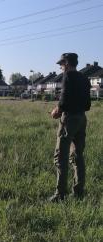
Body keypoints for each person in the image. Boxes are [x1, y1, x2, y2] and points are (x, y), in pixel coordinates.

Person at [50, 53, 91, 202]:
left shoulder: (67, 76)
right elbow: (87, 104)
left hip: (69, 119)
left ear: (67, 63)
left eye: (61, 64)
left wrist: (57, 111)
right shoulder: (85, 78)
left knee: (61, 156)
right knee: (78, 156)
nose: (61, 67)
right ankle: (79, 192)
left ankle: (60, 195)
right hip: (81, 119)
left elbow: (64, 99)